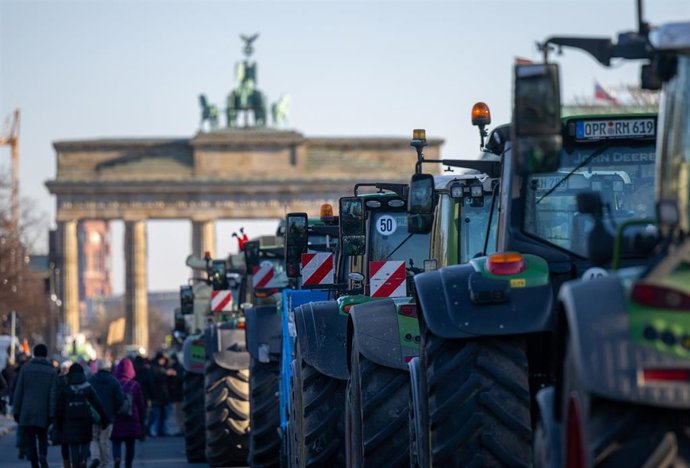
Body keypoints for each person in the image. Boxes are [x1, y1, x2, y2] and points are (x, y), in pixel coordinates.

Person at [12, 343, 58, 468]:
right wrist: (52, 413)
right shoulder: (52, 371)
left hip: (27, 410)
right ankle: (43, 455)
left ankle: (34, 462)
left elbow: (19, 391)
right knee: (43, 436)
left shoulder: (25, 369)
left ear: (34, 353)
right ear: (46, 354)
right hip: (44, 411)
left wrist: (16, 410)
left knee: (30, 438)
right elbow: (53, 395)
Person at [56, 363, 109, 468]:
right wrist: (104, 419)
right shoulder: (87, 387)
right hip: (85, 421)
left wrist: (58, 424)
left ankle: (75, 463)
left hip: (69, 421)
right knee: (85, 442)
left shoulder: (66, 388)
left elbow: (60, 407)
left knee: (73, 444)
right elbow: (97, 404)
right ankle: (83, 460)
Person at [88, 359, 125, 468]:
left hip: (94, 416)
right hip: (108, 416)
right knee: (104, 441)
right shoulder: (114, 381)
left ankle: (95, 458)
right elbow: (120, 399)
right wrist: (114, 411)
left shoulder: (91, 380)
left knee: (94, 438)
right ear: (108, 368)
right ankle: (104, 463)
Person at [111, 359, 146, 468]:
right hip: (132, 419)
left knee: (116, 442)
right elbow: (141, 404)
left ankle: (117, 458)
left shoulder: (113, 384)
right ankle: (128, 464)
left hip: (116, 419)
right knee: (130, 445)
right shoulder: (135, 385)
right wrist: (141, 418)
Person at [148, 353, 173, 437]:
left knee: (163, 414)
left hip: (163, 395)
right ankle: (149, 430)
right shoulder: (154, 368)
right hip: (157, 395)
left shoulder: (163, 367)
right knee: (155, 415)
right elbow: (156, 379)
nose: (163, 361)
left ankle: (160, 430)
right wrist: (166, 374)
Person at [167, 354, 184, 435]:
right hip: (176, 396)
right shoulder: (174, 368)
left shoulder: (178, 368)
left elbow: (179, 380)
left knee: (179, 413)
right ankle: (181, 428)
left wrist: (174, 375)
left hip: (178, 396)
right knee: (178, 413)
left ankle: (182, 429)